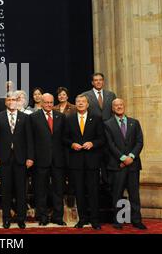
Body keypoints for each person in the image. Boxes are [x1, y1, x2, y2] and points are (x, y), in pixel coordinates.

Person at [0, 92, 34, 229]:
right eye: (8, 99)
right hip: (4, 159)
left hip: (21, 159)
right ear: (5, 102)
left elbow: (29, 140)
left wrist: (30, 157)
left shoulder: (25, 118)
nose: (11, 101)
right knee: (6, 190)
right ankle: (6, 218)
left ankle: (21, 218)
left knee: (21, 190)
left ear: (18, 101)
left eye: (14, 99)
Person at [63, 94, 105, 230]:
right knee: (79, 192)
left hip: (92, 161)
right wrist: (72, 144)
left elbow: (102, 139)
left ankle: (95, 220)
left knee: (93, 191)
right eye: (78, 101)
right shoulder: (69, 119)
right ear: (75, 104)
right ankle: (82, 219)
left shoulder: (97, 118)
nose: (80, 103)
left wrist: (92, 143)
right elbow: (64, 138)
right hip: (76, 161)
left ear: (88, 104)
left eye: (83, 101)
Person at [104, 99, 146, 230]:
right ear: (112, 108)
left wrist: (131, 157)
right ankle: (118, 221)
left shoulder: (135, 122)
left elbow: (139, 142)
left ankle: (136, 220)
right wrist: (122, 158)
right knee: (117, 194)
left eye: (121, 105)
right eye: (116, 105)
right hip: (118, 165)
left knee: (134, 194)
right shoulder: (107, 124)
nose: (119, 107)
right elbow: (110, 144)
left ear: (124, 106)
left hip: (133, 165)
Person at [30, 94, 67, 226]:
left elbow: (64, 139)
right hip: (41, 160)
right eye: (46, 102)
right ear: (41, 103)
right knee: (41, 190)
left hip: (58, 160)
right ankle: (43, 216)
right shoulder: (33, 117)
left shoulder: (61, 117)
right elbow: (31, 140)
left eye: (51, 102)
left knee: (58, 189)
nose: (49, 105)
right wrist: (32, 157)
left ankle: (58, 217)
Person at [83, 73, 117, 190]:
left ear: (103, 82)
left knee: (108, 159)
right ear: (92, 82)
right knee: (94, 161)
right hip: (93, 134)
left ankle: (109, 185)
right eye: (96, 80)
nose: (98, 82)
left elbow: (114, 113)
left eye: (100, 80)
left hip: (109, 132)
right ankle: (95, 186)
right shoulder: (85, 95)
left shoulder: (111, 95)